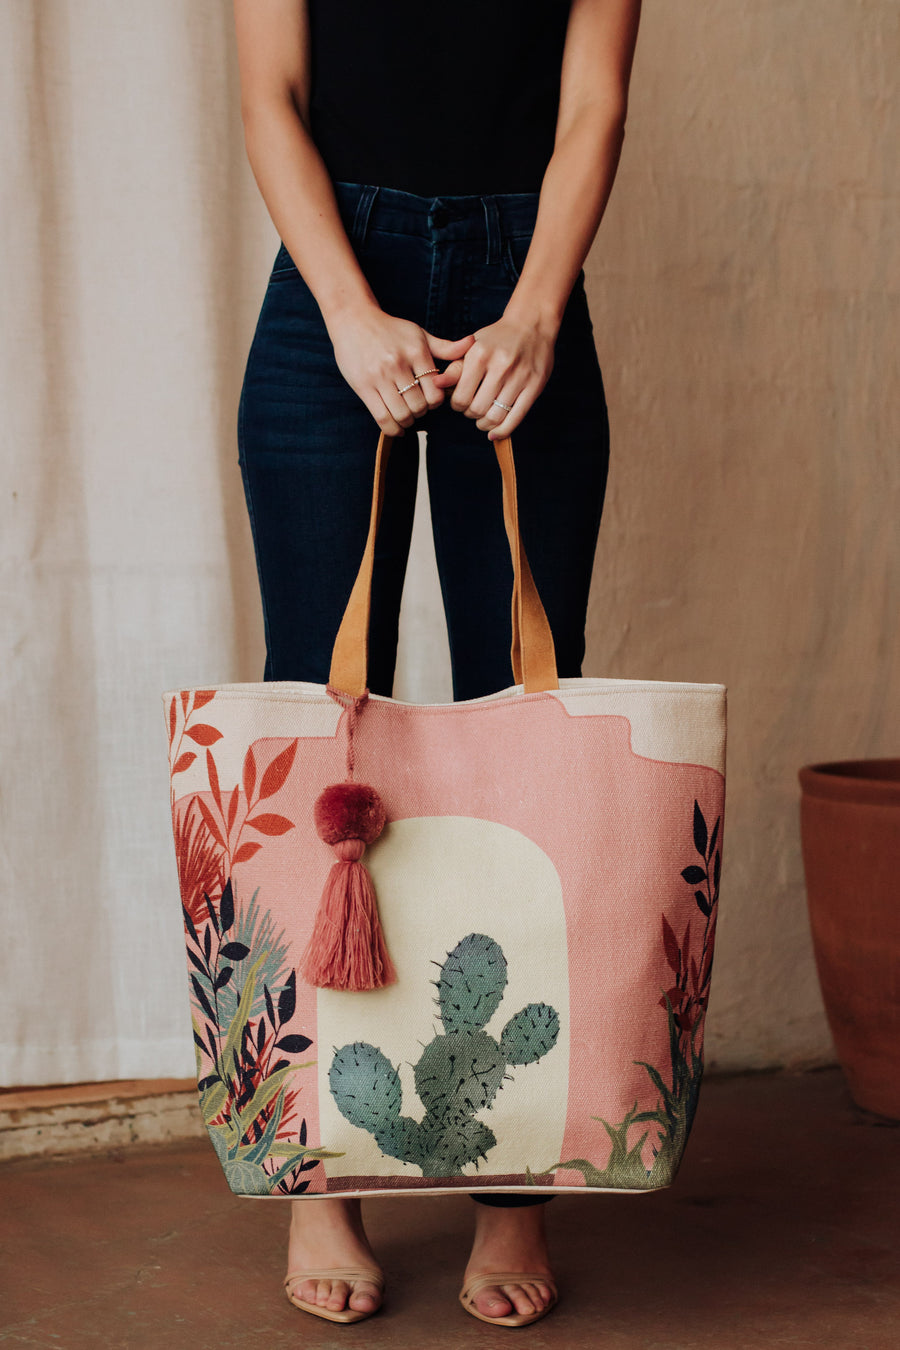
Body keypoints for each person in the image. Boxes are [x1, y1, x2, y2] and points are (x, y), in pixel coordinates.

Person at [232, 0, 641, 1328]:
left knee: (522, 719)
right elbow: (270, 96)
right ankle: (316, 1170)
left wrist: (536, 311)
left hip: (523, 274)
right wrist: (349, 314)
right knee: (314, 713)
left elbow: (593, 106)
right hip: (330, 280)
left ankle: (514, 1176)